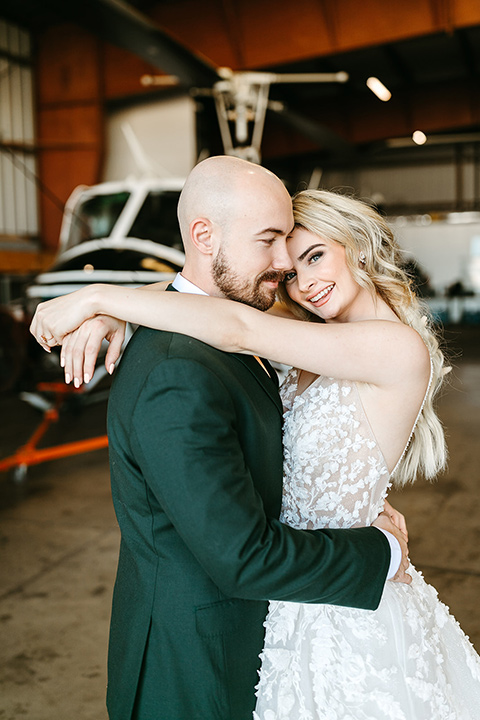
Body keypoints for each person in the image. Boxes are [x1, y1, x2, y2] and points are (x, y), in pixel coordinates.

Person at [30, 157, 411, 720]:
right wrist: (385, 552)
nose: (288, 269)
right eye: (271, 241)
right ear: (204, 236)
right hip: (195, 665)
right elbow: (242, 557)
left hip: (274, 628)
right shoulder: (177, 370)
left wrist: (109, 303)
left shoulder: (257, 324)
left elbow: (229, 323)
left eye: (303, 249)